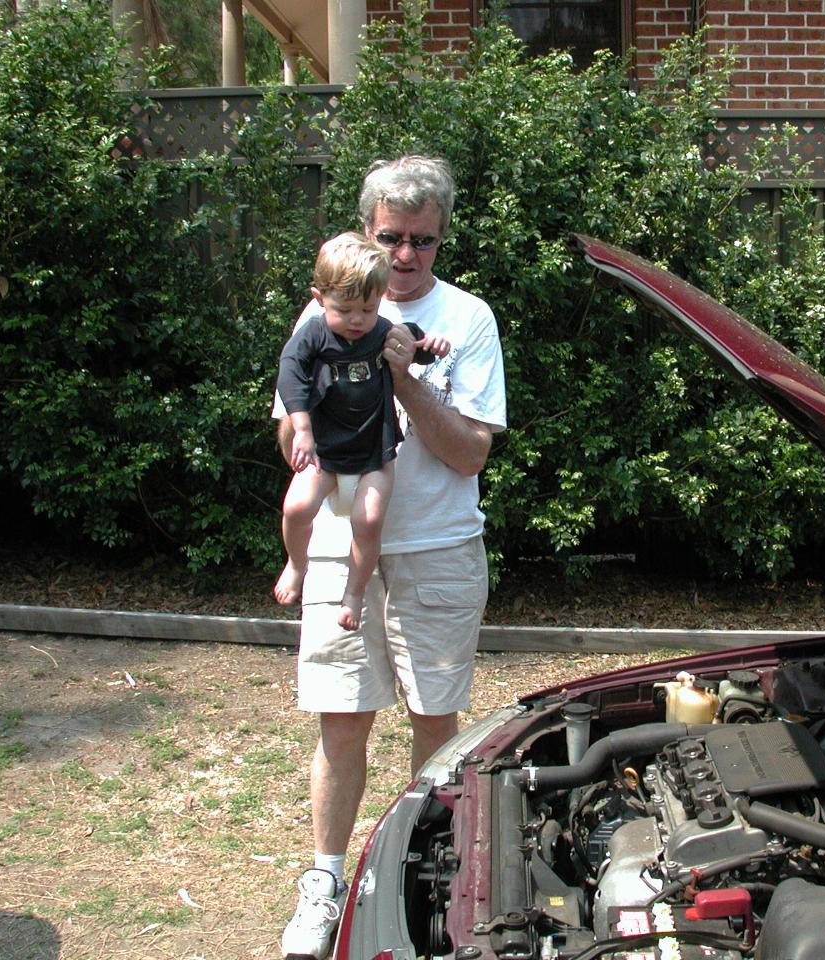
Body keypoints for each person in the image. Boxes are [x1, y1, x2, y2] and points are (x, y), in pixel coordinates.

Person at [276, 155, 507, 960]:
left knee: (433, 725)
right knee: (342, 722)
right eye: (391, 238)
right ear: (367, 232)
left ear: (439, 241)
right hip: (341, 549)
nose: (406, 256)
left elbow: (470, 454)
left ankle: (421, 877)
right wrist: (314, 428)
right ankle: (325, 882)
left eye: (423, 242)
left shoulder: (468, 320)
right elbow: (287, 430)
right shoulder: (325, 309)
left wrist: (403, 377)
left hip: (439, 550)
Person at [274, 231, 449, 631]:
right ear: (319, 299)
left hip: (374, 448)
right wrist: (302, 429)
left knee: (368, 519)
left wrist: (430, 345)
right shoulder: (314, 333)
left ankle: (353, 593)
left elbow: (415, 344)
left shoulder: (382, 329)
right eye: (345, 310)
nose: (357, 321)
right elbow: (290, 374)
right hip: (325, 449)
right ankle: (297, 565)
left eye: (368, 310)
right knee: (296, 507)